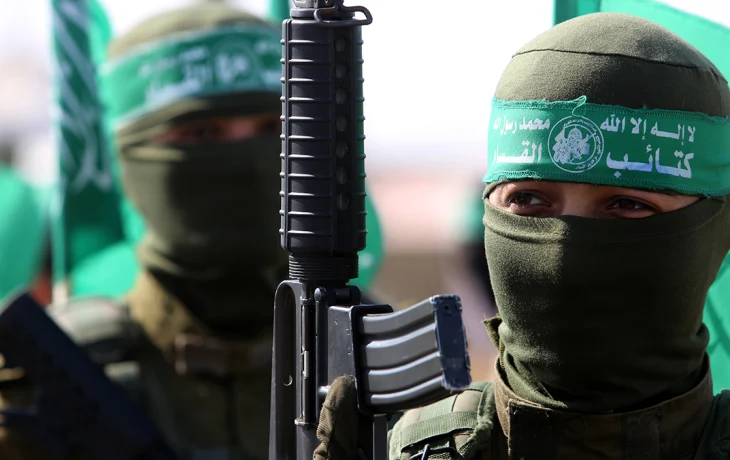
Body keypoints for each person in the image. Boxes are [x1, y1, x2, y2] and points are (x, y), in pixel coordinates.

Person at [314, 12, 730, 460]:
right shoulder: (402, 449)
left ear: (715, 232)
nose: (562, 250)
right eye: (528, 199)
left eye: (627, 205)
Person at [0, 4, 285, 459]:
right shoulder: (50, 378)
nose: (249, 161)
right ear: (132, 158)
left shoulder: (366, 356)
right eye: (204, 134)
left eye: (273, 129)